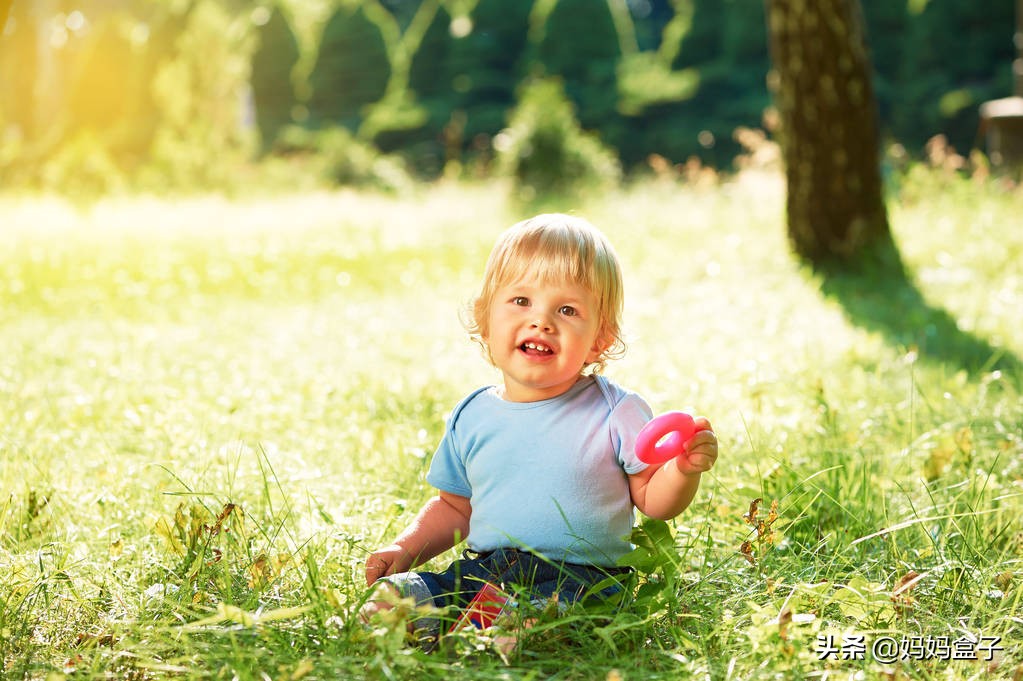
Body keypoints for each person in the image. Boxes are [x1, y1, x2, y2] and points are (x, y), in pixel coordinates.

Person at [362, 213, 718, 642]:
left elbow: (653, 500)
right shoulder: (473, 415)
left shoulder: (616, 411)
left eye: (567, 310)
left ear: (600, 338)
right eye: (521, 301)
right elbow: (455, 509)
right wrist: (405, 549)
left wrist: (682, 469)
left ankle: (499, 630)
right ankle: (464, 624)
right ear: (485, 318)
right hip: (489, 569)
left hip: (583, 577)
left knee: (546, 617)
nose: (542, 321)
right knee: (397, 597)